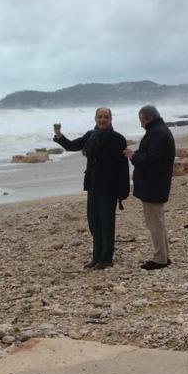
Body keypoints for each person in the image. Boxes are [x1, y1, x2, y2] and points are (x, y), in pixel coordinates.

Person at [53, 107, 130, 270]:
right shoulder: (90, 135)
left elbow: (123, 166)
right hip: (93, 185)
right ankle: (96, 257)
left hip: (109, 187)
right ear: (95, 118)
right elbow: (72, 146)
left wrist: (124, 190)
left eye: (106, 117)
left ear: (111, 119)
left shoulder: (118, 139)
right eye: (100, 117)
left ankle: (106, 258)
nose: (103, 120)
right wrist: (59, 135)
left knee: (106, 223)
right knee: (94, 223)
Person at [123, 105, 176, 271]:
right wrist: (138, 154)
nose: (140, 124)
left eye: (141, 121)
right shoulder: (159, 131)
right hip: (156, 184)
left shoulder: (158, 133)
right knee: (158, 222)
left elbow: (150, 160)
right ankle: (163, 256)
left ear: (148, 119)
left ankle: (160, 259)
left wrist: (133, 156)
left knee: (154, 224)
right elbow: (150, 155)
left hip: (153, 185)